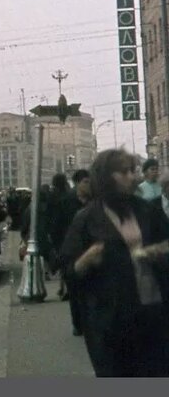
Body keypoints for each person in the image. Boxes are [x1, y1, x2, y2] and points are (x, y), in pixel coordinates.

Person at [60, 148, 169, 376]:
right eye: (123, 172)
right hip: (111, 320)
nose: (132, 176)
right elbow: (69, 270)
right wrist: (86, 260)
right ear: (106, 177)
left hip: (153, 313)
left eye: (132, 170)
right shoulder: (87, 219)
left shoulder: (147, 210)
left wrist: (158, 251)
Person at [64, 169, 92, 336]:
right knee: (74, 291)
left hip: (90, 251)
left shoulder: (94, 201)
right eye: (85, 182)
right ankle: (78, 324)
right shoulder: (66, 202)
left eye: (90, 182)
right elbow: (58, 227)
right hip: (72, 253)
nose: (88, 185)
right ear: (77, 184)